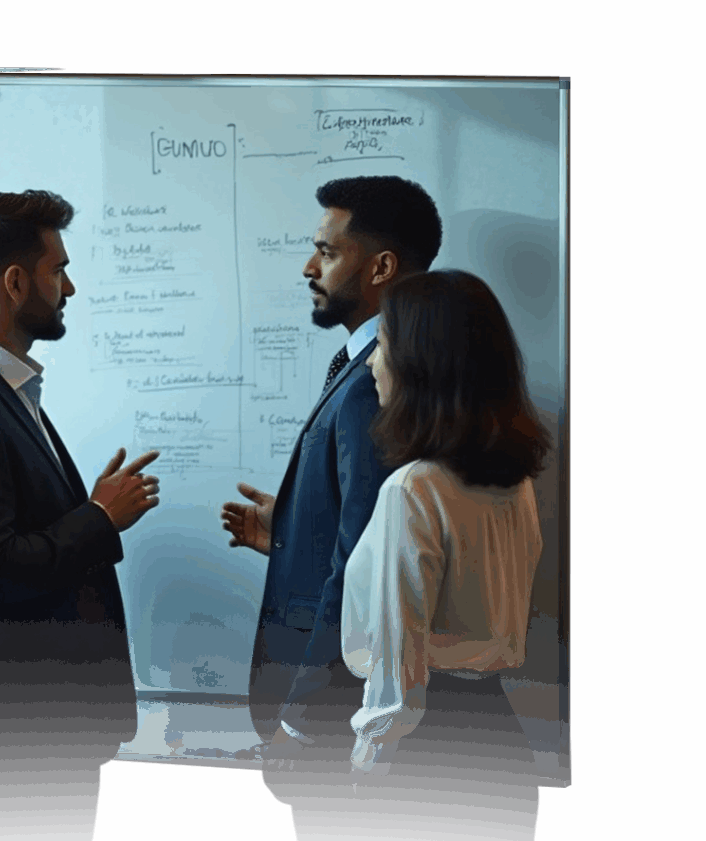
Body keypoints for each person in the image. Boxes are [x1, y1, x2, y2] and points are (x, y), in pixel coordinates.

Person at [0, 191, 160, 784]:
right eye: (59, 271)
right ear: (17, 283)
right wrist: (99, 517)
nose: (69, 288)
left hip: (54, 728)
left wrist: (90, 508)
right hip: (27, 734)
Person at [222, 176, 442, 783]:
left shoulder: (378, 381)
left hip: (333, 722)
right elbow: (360, 535)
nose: (308, 267)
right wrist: (295, 529)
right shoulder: (372, 367)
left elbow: (362, 567)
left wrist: (302, 721)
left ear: (381, 267)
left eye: (326, 251)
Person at [342, 269, 552, 807]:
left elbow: (399, 664)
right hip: (499, 737)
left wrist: (368, 758)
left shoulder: (412, 489)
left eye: (382, 344)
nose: (369, 363)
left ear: (420, 362)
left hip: (426, 753)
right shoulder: (515, 480)